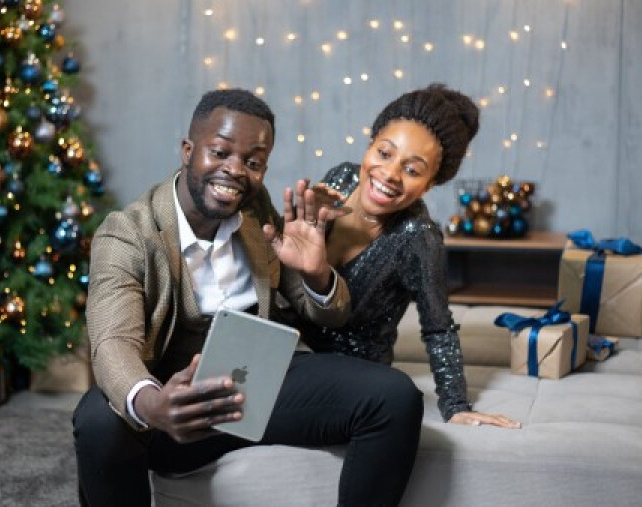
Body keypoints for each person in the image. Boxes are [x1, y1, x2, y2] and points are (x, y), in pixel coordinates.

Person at [73, 88, 425, 506]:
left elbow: (327, 313)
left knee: (396, 399)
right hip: (176, 399)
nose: (235, 170)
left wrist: (315, 271)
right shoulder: (128, 233)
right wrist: (152, 405)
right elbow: (113, 342)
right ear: (188, 150)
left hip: (258, 380)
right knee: (97, 420)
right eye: (220, 153)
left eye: (253, 162)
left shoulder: (256, 209)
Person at [302, 84, 522, 428]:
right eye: (384, 152)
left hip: (352, 374)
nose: (389, 174)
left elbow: (439, 329)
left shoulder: (418, 238)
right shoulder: (340, 179)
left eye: (413, 170)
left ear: (431, 183)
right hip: (294, 350)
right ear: (370, 144)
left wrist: (456, 405)